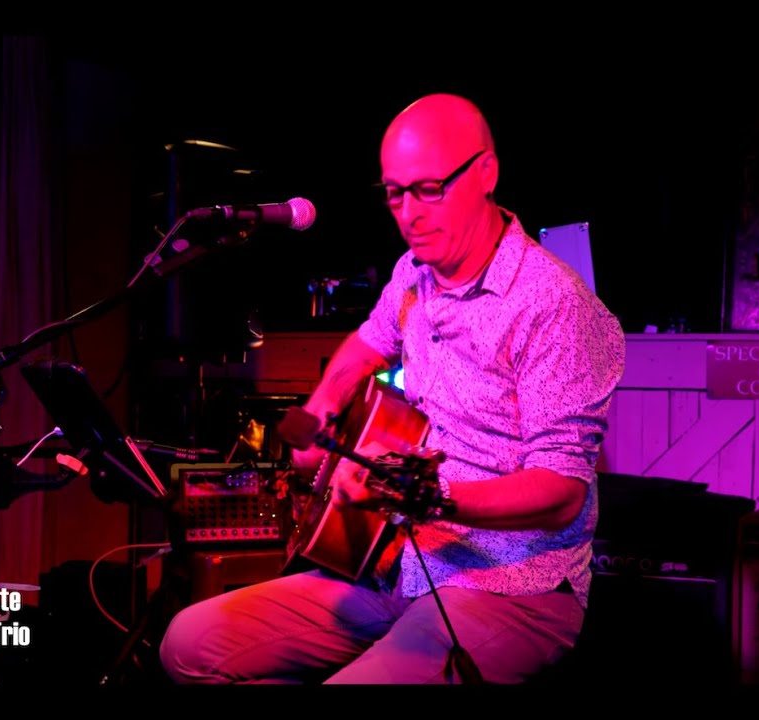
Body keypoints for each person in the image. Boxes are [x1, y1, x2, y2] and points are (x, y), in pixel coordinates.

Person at [159, 93, 625, 684]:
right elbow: (367, 344)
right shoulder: (413, 273)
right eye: (395, 193)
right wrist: (323, 408)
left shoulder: (555, 305)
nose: (409, 214)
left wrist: (430, 498)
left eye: (429, 189)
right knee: (190, 644)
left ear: (486, 172)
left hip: (511, 588)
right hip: (396, 563)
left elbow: (561, 492)